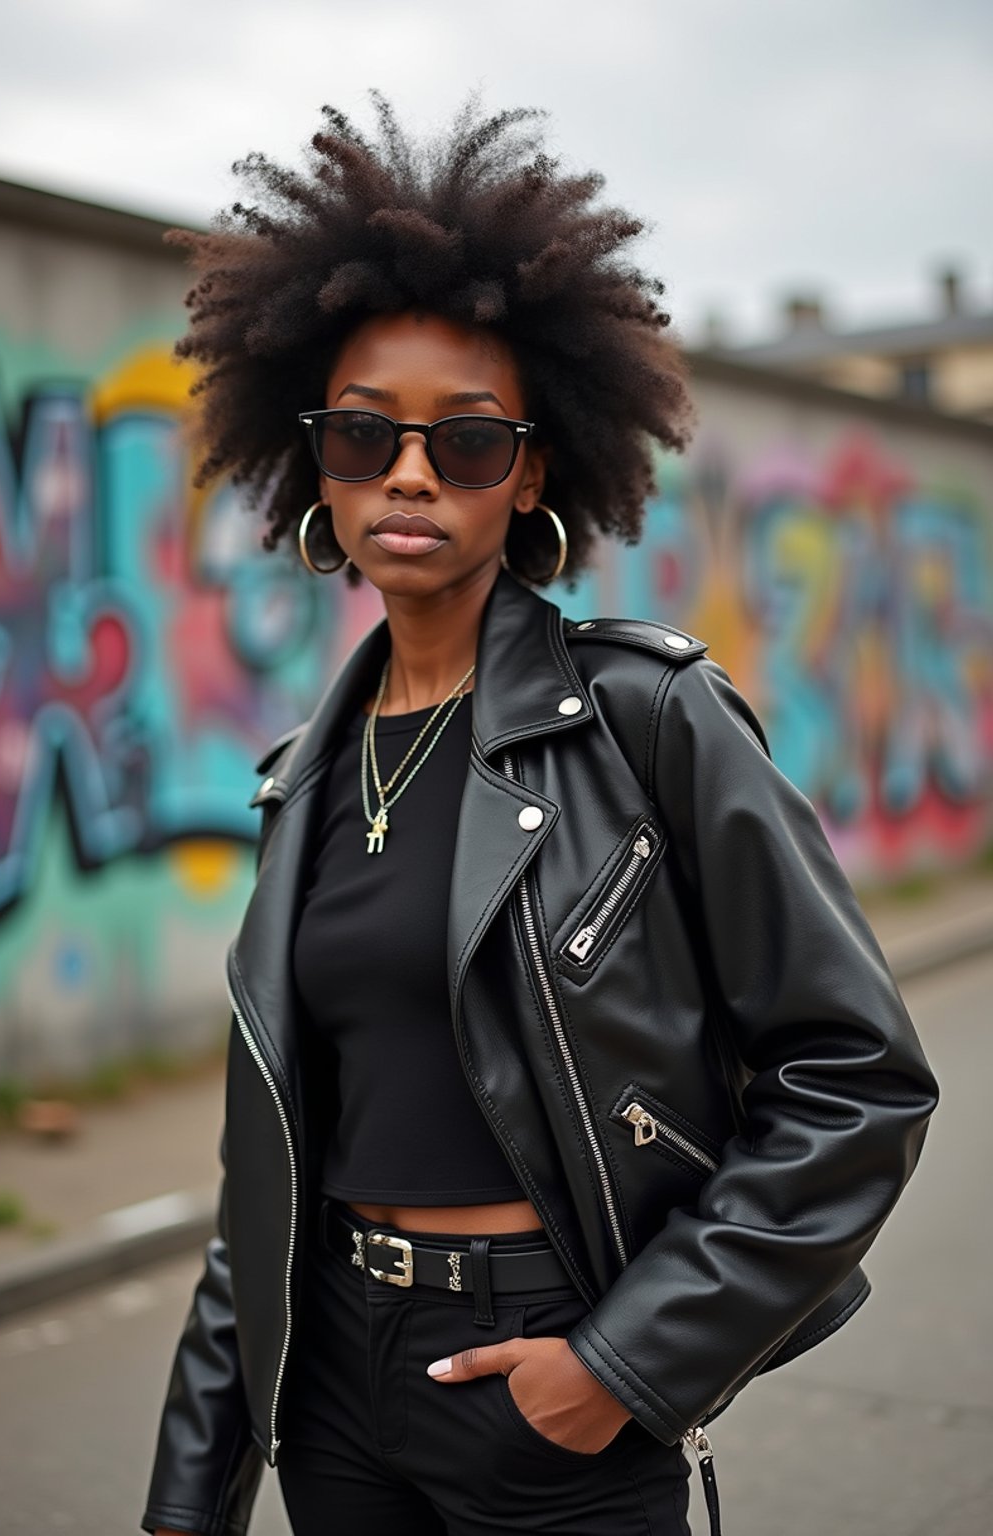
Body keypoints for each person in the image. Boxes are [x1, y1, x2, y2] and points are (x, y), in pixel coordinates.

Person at [141, 96, 938, 1536]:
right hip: (328, 1374)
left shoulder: (648, 718)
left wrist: (623, 1366)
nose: (409, 473)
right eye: (364, 435)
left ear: (538, 469)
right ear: (309, 461)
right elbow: (260, 1173)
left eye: (466, 444)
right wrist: (190, 1489)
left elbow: (856, 1079)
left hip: (549, 1379)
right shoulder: (302, 776)